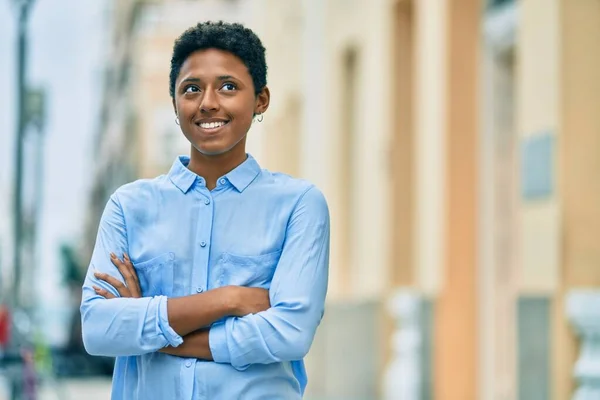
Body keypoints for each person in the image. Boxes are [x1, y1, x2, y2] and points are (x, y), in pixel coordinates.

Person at [80, 21, 330, 399]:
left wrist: (149, 330)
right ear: (175, 104)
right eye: (191, 89)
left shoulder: (299, 205)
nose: (208, 102)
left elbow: (289, 334)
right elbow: (98, 329)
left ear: (261, 99)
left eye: (228, 86)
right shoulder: (129, 207)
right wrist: (228, 300)